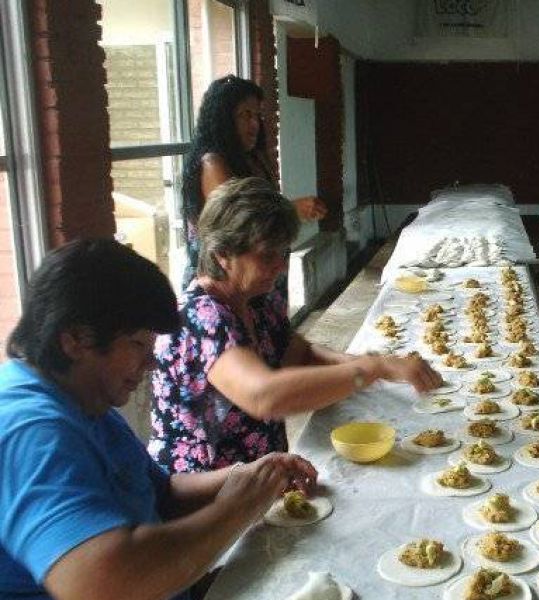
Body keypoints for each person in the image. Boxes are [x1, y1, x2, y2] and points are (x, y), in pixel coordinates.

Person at [0, 239, 318, 600]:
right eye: (138, 344)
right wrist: (239, 507)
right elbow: (100, 585)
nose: (152, 363)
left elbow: (160, 494)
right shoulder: (29, 428)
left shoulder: (84, 400)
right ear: (74, 339)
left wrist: (245, 476)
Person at [151, 176, 442, 473]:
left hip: (257, 477)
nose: (280, 266)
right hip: (203, 492)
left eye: (283, 253)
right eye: (267, 256)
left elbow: (301, 353)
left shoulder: (257, 300)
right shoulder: (201, 317)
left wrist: (379, 366)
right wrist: (370, 369)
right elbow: (264, 396)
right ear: (222, 254)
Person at [181, 74, 327, 288]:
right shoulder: (212, 163)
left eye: (258, 115)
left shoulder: (253, 158)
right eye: (245, 115)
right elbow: (238, 223)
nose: (254, 123)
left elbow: (264, 205)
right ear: (224, 119)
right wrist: (292, 209)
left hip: (258, 278)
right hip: (226, 286)